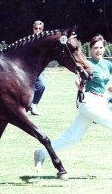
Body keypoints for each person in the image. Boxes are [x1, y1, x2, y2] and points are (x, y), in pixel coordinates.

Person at [34, 34, 112, 173]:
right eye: (95, 48)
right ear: (90, 49)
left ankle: (41, 153)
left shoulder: (107, 64)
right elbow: (78, 79)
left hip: (101, 101)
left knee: (73, 137)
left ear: (104, 48)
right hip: (88, 101)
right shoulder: (86, 64)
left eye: (101, 47)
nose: (98, 50)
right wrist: (79, 83)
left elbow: (107, 85)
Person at [30, 20, 46, 115]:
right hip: (28, 69)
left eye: (40, 29)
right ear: (33, 29)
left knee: (42, 85)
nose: (38, 30)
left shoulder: (45, 41)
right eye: (36, 28)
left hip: (39, 69)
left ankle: (34, 106)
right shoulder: (29, 41)